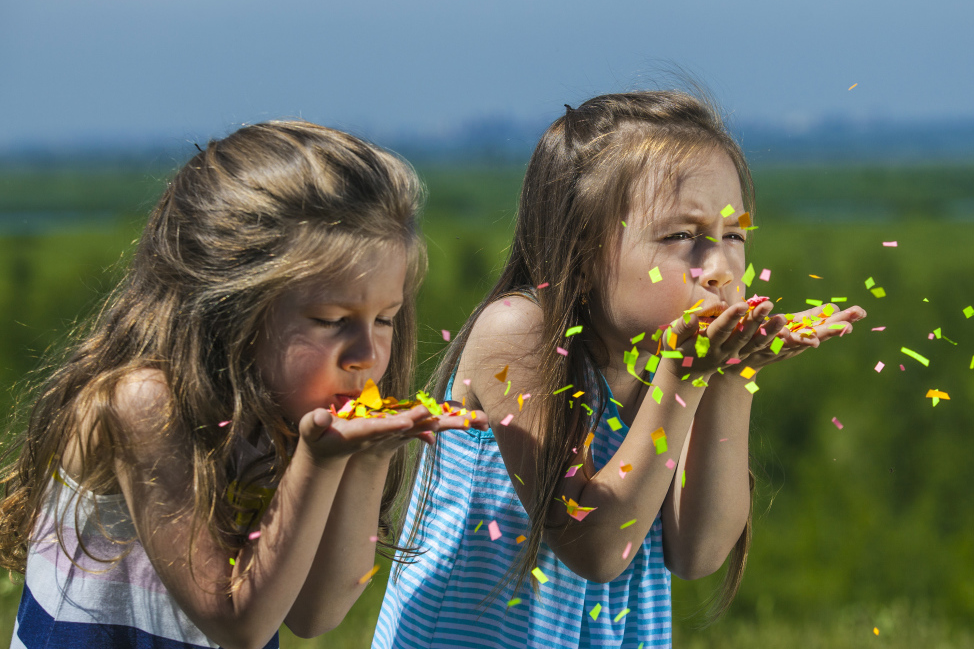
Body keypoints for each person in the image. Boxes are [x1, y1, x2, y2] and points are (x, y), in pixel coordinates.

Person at [374, 91, 866, 648]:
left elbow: (698, 552)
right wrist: (685, 375)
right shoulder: (518, 333)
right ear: (580, 257)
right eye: (682, 237)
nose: (720, 270)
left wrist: (731, 374)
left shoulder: (673, 364)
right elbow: (598, 549)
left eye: (735, 236)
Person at [0, 121, 486, 649]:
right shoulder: (145, 404)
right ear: (231, 305)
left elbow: (315, 614)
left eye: (385, 319)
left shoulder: (280, 409)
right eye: (330, 320)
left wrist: (367, 459)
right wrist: (318, 462)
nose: (368, 355)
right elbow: (240, 624)